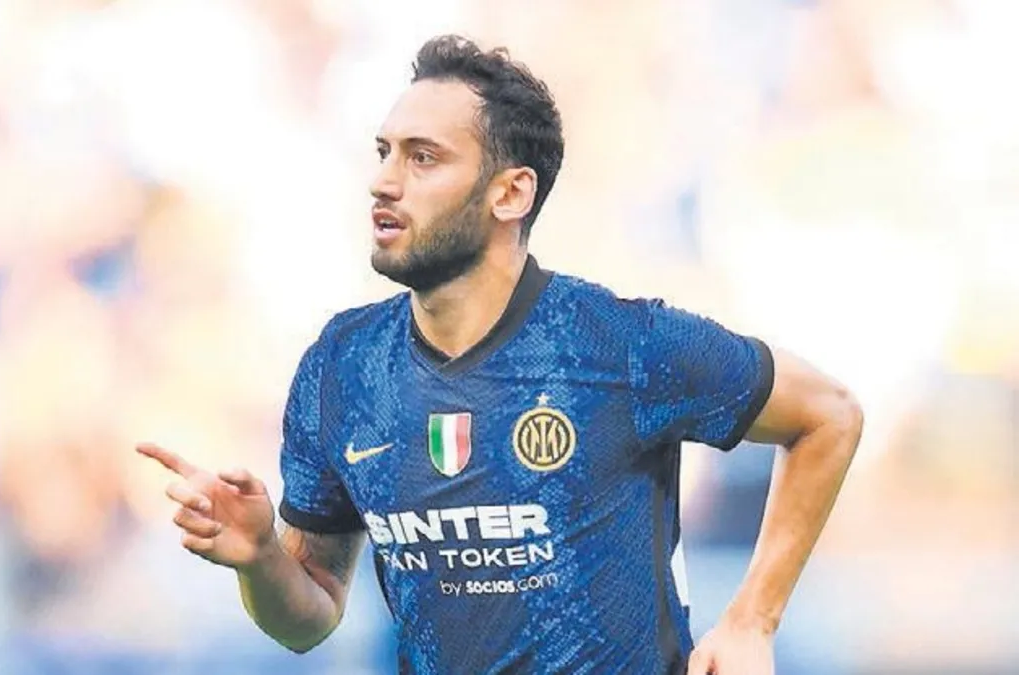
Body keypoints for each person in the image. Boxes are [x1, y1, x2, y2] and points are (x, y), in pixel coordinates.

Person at [138, 35, 863, 675]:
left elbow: (828, 414)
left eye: (424, 158)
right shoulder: (343, 367)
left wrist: (753, 618)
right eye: (385, 152)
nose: (384, 181)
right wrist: (262, 557)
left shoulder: (621, 344)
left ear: (510, 193)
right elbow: (309, 615)